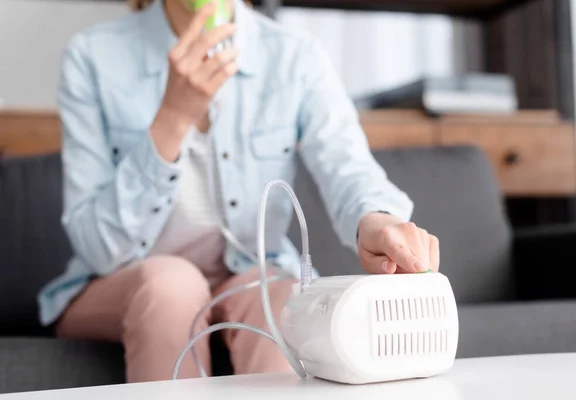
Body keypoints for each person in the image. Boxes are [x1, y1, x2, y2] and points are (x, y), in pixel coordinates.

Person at [38, 0, 440, 383]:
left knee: (282, 294)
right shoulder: (92, 56)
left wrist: (378, 220)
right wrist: (173, 117)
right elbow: (97, 248)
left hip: (248, 272)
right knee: (172, 284)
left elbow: (348, 166)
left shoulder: (294, 56)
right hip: (121, 281)